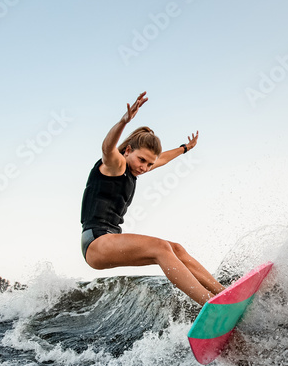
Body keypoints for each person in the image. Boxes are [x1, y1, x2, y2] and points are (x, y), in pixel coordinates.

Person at [80, 92, 225, 306]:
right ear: (128, 150)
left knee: (175, 248)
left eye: (149, 164)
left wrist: (185, 148)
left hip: (110, 240)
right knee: (160, 248)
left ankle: (224, 293)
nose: (144, 168)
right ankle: (212, 305)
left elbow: (163, 158)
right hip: (96, 241)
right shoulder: (116, 165)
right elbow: (107, 148)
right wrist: (123, 122)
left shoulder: (136, 168)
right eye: (141, 160)